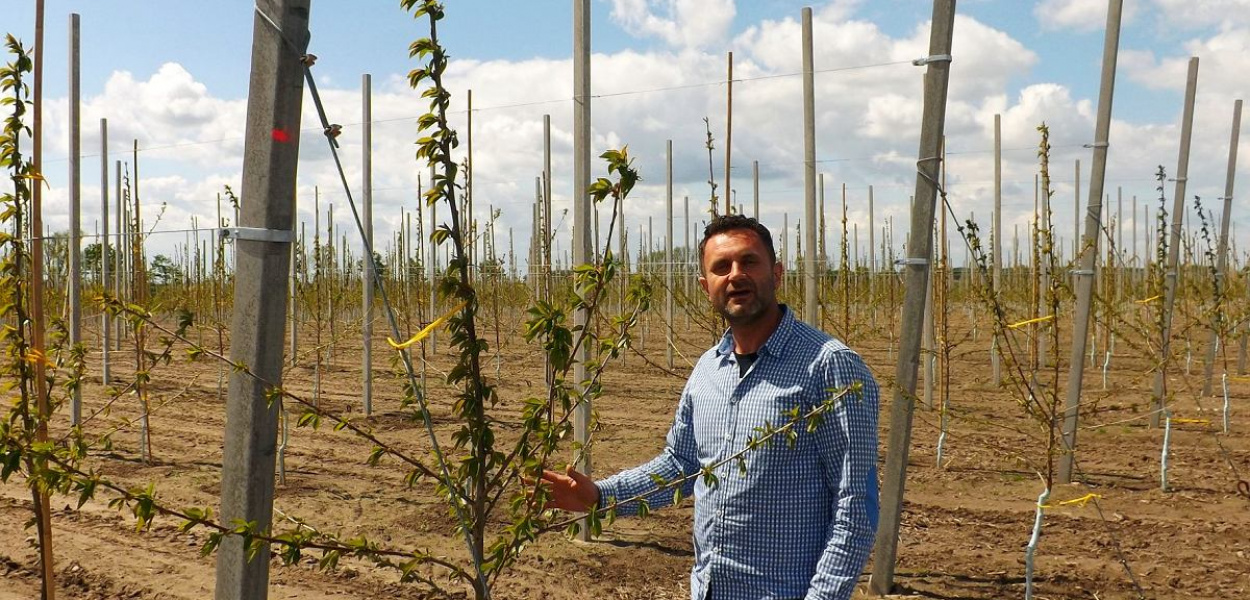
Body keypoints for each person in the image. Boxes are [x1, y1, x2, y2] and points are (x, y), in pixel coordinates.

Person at [541, 214, 879, 600]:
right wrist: (601, 497)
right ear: (706, 286)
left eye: (749, 261)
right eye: (721, 267)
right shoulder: (708, 369)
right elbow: (680, 465)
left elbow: (855, 505)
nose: (735, 275)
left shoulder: (828, 366)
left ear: (778, 273)